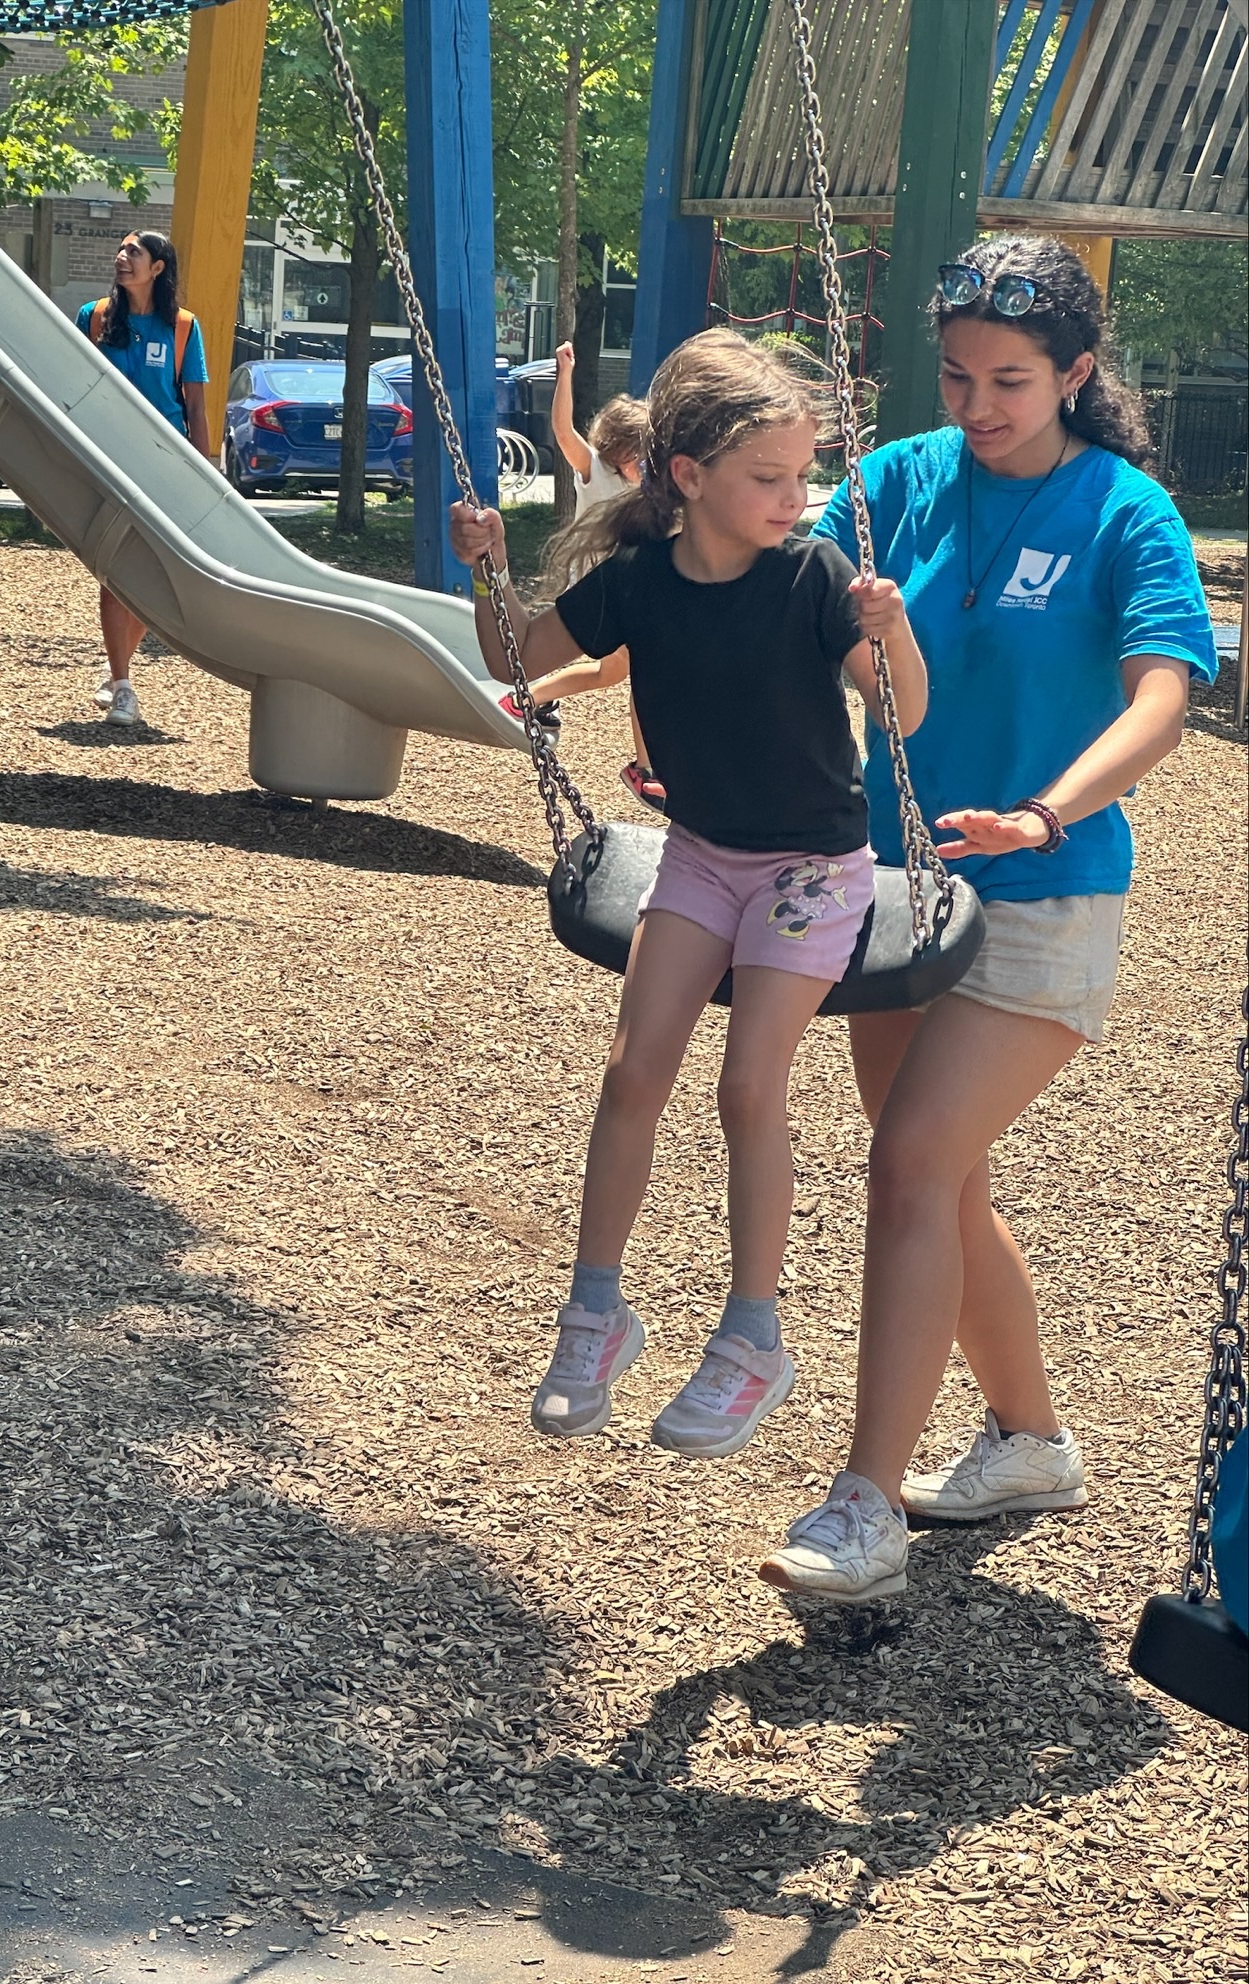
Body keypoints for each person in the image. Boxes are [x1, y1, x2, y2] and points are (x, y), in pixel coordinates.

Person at [757, 236, 1218, 1603]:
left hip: (1039, 897)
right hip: (890, 893)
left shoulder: (1124, 510)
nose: (976, 406)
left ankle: (861, 1512)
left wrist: (1047, 812)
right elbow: (770, 612)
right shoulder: (892, 482)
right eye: (956, 376)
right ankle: (1030, 1442)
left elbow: (1159, 696)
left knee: (905, 1170)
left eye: (1010, 381)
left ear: (1075, 374)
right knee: (942, 1183)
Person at [450, 328, 927, 1459]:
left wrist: (891, 629)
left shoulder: (813, 578)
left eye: (803, 476)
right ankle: (595, 1310)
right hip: (702, 853)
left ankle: (752, 1333)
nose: (794, 497)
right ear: (688, 478)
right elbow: (513, 653)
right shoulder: (634, 585)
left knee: (748, 1086)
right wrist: (484, 564)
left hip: (813, 867)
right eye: (769, 479)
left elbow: (901, 712)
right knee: (632, 1071)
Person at [498, 344, 662, 803]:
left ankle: (525, 698)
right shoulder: (594, 470)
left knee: (610, 673)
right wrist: (565, 371)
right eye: (637, 454)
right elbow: (562, 430)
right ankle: (645, 767)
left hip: (625, 589)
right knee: (643, 670)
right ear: (616, 450)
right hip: (599, 587)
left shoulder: (645, 486)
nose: (642, 464)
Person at [79, 231, 211, 726]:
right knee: (116, 573)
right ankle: (125, 689)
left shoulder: (181, 328)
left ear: (158, 268)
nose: (122, 258)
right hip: (110, 459)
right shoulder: (93, 318)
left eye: (134, 252)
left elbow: (194, 405)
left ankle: (117, 674)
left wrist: (205, 470)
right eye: (120, 249)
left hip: (167, 464)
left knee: (153, 577)